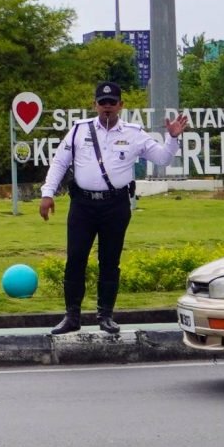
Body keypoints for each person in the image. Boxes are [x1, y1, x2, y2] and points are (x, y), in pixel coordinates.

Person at [38, 82, 190, 338]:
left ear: (121, 105)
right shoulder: (78, 130)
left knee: (110, 260)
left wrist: (173, 137)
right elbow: (60, 162)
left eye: (112, 102)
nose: (107, 107)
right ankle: (72, 316)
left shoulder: (134, 133)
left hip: (115, 205)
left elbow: (163, 158)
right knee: (75, 259)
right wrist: (47, 193)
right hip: (83, 204)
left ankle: (105, 315)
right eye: (102, 102)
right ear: (94, 104)